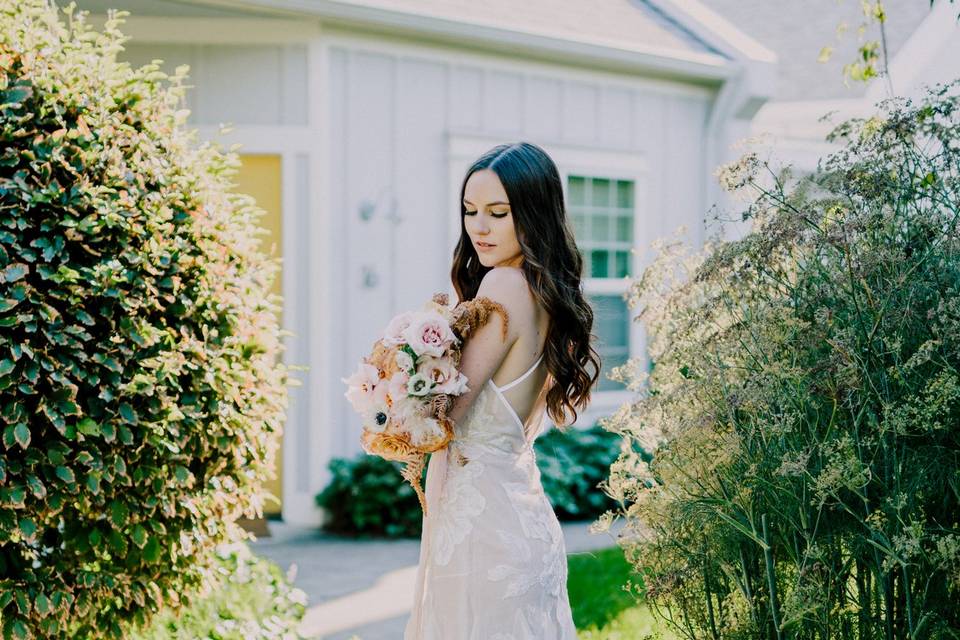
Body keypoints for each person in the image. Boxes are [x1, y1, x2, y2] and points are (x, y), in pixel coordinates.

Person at [404, 141, 601, 639]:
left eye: (498, 212)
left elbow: (442, 415)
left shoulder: (503, 287)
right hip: (518, 513)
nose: (479, 227)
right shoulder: (544, 291)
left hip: (483, 530)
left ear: (533, 214)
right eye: (470, 211)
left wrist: (393, 390)